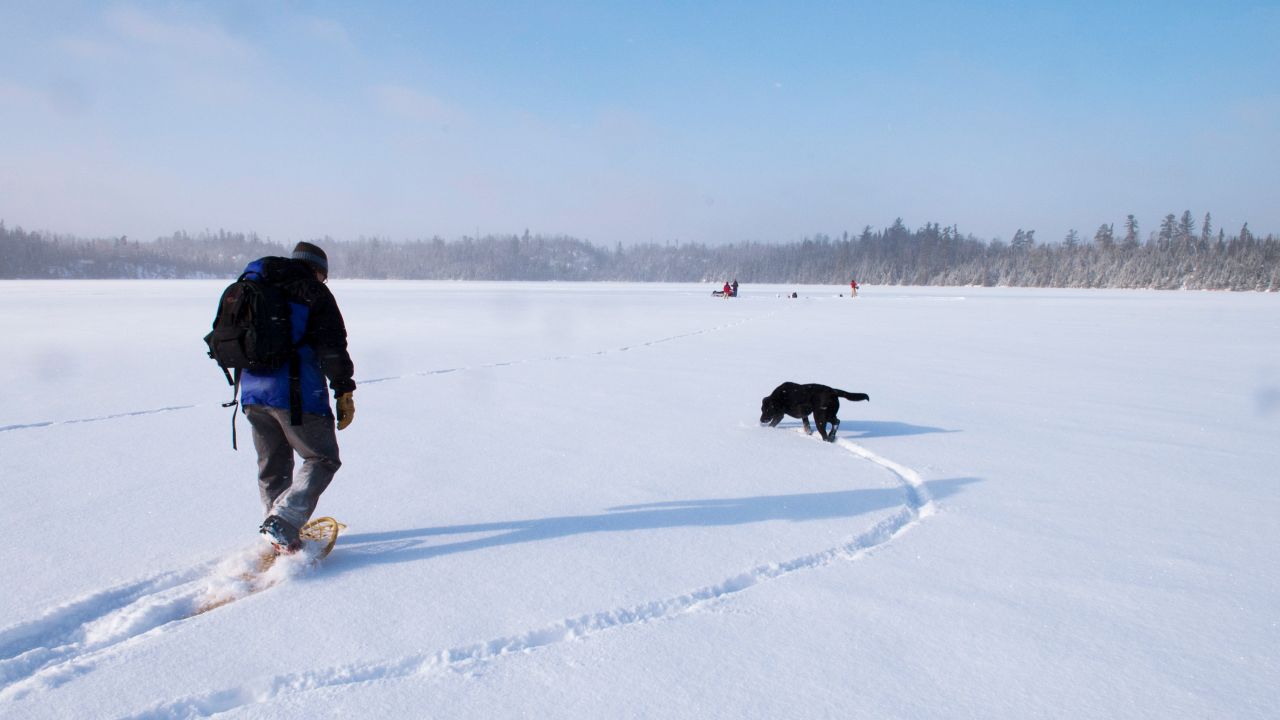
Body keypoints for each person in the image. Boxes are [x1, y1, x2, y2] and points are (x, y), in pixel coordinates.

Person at [242, 241, 356, 552]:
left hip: (252, 391)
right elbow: (332, 346)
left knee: (273, 463)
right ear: (318, 270)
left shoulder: (256, 282)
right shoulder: (311, 290)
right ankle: (285, 521)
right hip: (296, 392)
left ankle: (277, 529)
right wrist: (344, 388)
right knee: (322, 457)